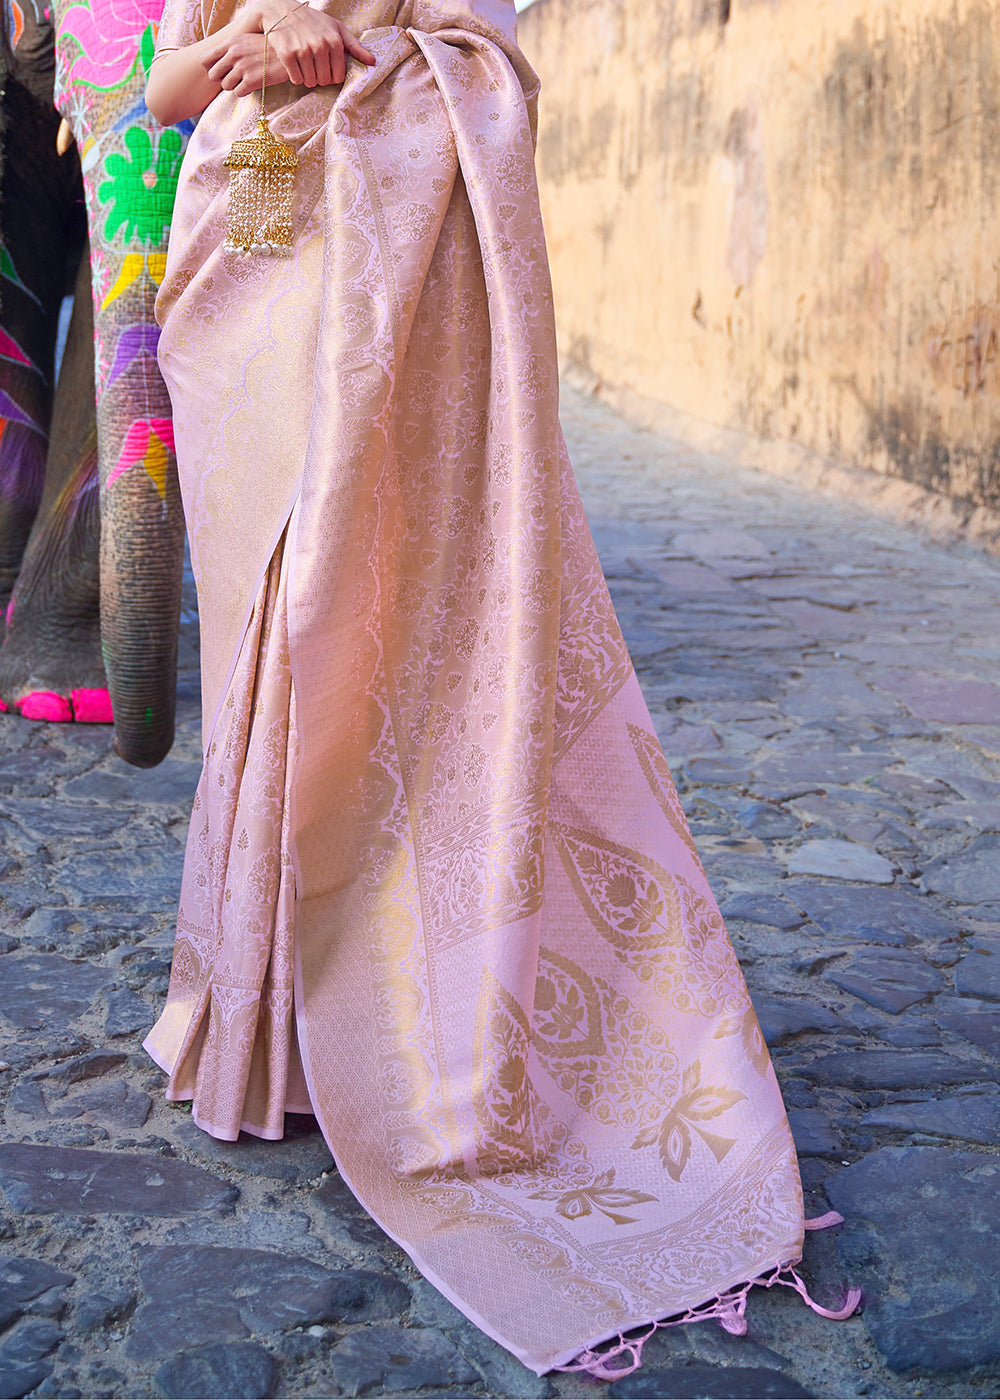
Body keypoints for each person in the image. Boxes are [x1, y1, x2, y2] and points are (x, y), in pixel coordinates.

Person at [143, 0, 857, 1377]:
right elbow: (164, 90)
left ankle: (399, 1031)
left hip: (403, 262)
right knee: (261, 647)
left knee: (356, 634)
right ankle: (265, 1024)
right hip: (252, 255)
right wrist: (241, 53)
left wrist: (372, 53)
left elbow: (493, 53)